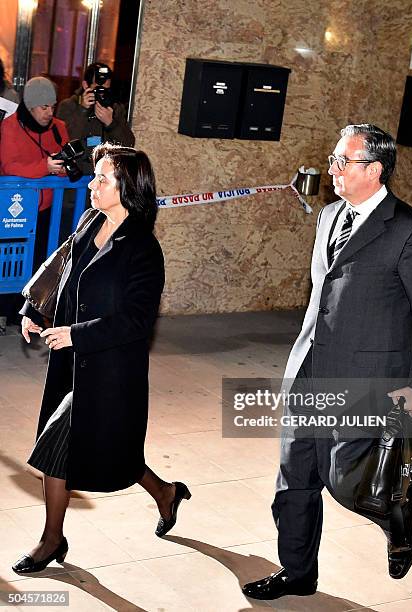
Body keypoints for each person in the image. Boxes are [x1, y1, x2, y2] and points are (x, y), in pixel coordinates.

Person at [242, 124, 412, 600]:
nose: (332, 168)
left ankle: (398, 515)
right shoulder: (330, 215)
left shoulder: (410, 231)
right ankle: (298, 573)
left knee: (344, 479)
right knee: (295, 477)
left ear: (374, 170)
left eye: (343, 160)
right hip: (311, 369)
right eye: (334, 158)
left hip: (369, 377)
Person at [12, 144, 190, 574]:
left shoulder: (143, 249)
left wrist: (75, 334)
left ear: (127, 188)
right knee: (107, 452)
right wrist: (36, 309)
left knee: (60, 448)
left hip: (110, 369)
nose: (92, 185)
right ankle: (164, 492)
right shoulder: (90, 222)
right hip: (71, 364)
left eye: (102, 179)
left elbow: (135, 320)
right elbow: (61, 271)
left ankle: (52, 540)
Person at [0, 77, 69, 324]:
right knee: (12, 262)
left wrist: (62, 169)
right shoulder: (9, 127)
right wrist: (45, 167)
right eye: (44, 107)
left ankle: (32, 315)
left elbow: (66, 164)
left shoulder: (59, 127)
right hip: (16, 210)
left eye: (53, 106)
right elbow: (9, 166)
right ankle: (7, 313)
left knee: (41, 262)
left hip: (49, 208)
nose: (50, 113)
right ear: (30, 107)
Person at [56, 62, 135, 176]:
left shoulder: (114, 109)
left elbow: (128, 145)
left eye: (105, 90)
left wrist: (111, 124)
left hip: (103, 176)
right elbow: (63, 142)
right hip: (76, 177)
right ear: (85, 85)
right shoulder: (69, 106)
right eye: (98, 90)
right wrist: (82, 111)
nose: (101, 94)